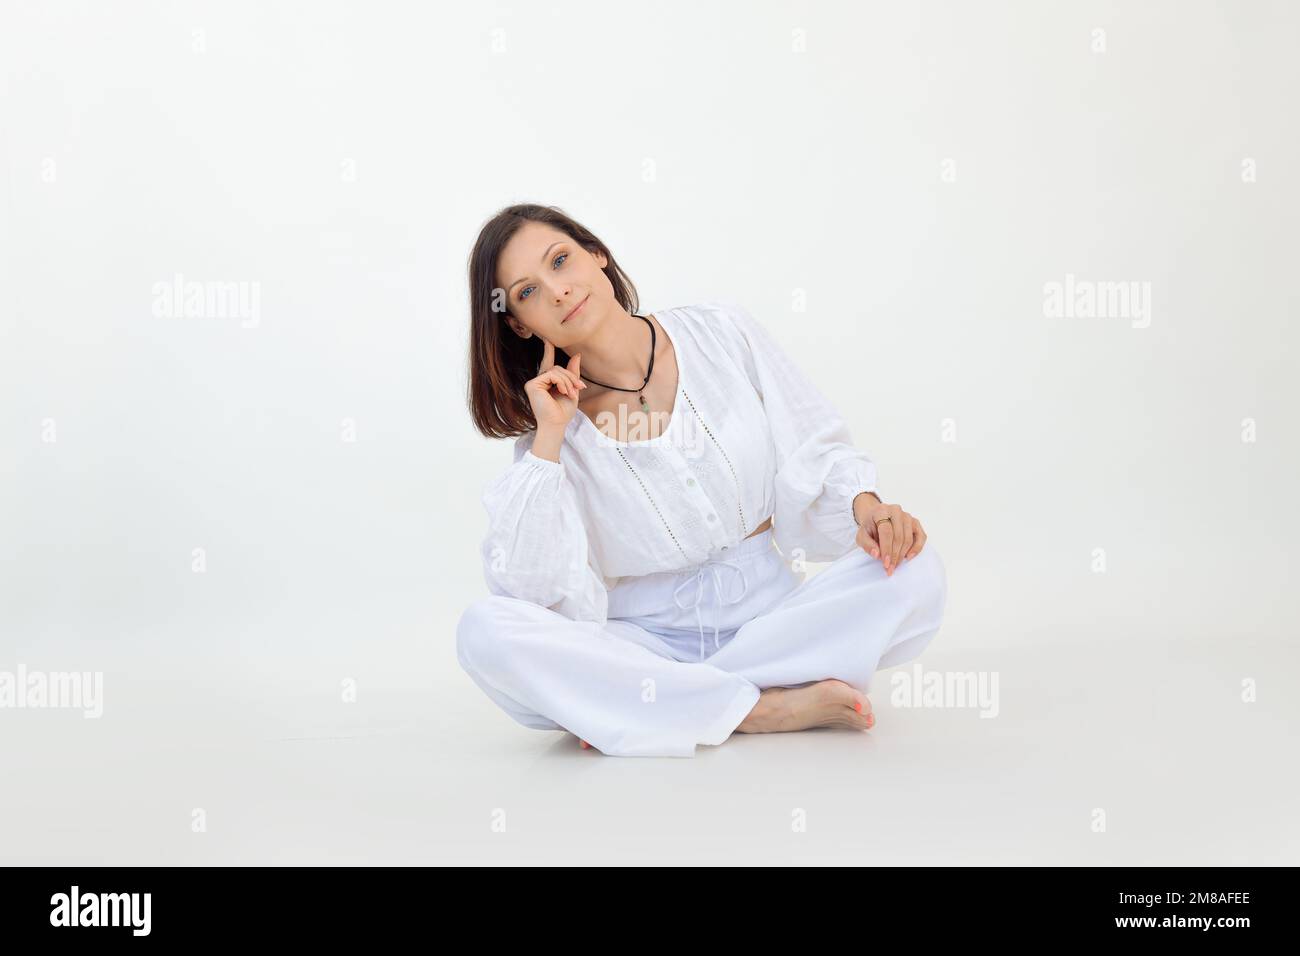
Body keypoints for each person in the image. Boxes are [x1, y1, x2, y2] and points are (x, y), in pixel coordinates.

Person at [458, 203, 947, 757]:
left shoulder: (719, 330)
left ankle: (652, 707)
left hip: (774, 622)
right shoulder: (550, 432)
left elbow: (814, 442)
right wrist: (548, 439)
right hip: (645, 644)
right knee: (484, 632)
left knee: (916, 568)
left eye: (561, 260)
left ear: (597, 254)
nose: (558, 291)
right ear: (520, 324)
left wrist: (869, 510)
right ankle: (761, 707)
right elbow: (529, 597)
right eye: (526, 292)